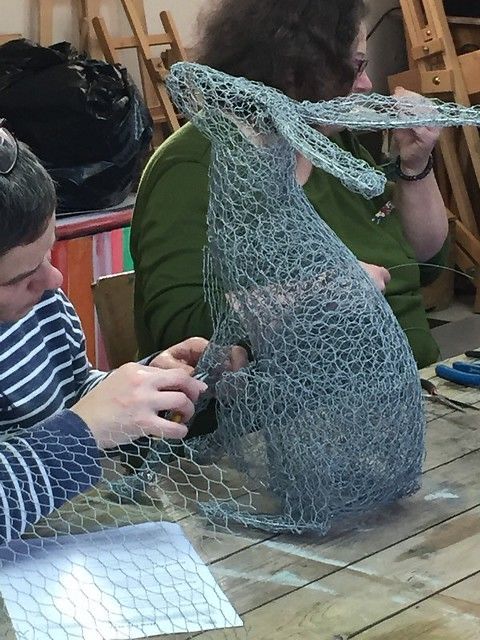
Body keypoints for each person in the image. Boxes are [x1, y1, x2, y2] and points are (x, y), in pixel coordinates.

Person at [130, 0, 449, 370]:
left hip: (419, 385)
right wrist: (318, 296)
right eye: (355, 66)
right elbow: (180, 334)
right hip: (293, 418)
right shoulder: (190, 166)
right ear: (294, 70)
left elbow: (426, 265)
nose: (367, 84)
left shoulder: (328, 143)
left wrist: (415, 163)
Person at [0, 126, 209, 545]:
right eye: (21, 276)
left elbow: (74, 393)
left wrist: (146, 388)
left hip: (65, 543)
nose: (54, 279)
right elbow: (79, 426)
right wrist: (87, 428)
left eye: (50, 252)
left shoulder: (42, 306)